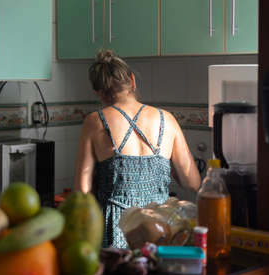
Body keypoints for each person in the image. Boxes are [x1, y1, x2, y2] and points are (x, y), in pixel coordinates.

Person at [73, 50, 201, 248]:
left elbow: (82, 191)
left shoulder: (94, 121)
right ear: (132, 81)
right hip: (161, 227)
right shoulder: (167, 119)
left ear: (98, 92)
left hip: (118, 229)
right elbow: (193, 182)